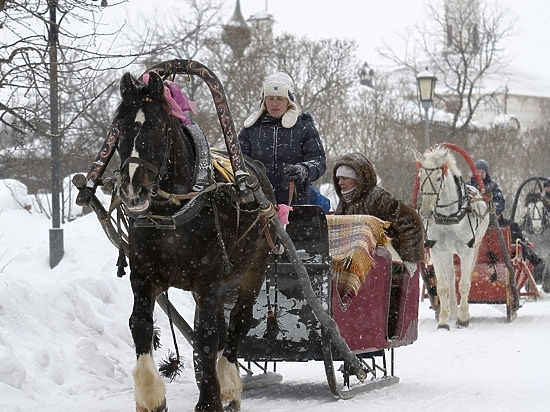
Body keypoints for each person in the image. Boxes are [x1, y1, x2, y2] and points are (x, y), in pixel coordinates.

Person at [238, 72, 326, 206]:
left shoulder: (304, 127)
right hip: (257, 205)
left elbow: (319, 161)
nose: (274, 103)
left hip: (297, 204)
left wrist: (304, 169)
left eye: (280, 98)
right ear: (264, 100)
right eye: (270, 98)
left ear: (289, 101)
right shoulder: (250, 129)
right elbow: (237, 163)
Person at [332, 152, 425, 273]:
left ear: (358, 178)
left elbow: (411, 222)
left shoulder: (378, 198)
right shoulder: (345, 202)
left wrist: (409, 258)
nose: (340, 183)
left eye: (345, 178)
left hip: (384, 264)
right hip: (358, 265)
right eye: (338, 178)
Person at [470, 159, 545, 278]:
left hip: (493, 222)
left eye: (482, 171)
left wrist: (493, 211)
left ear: (486, 173)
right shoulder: (469, 188)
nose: (480, 174)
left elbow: (500, 202)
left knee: (513, 229)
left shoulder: (492, 186)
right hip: (473, 224)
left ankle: (532, 259)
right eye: (477, 171)